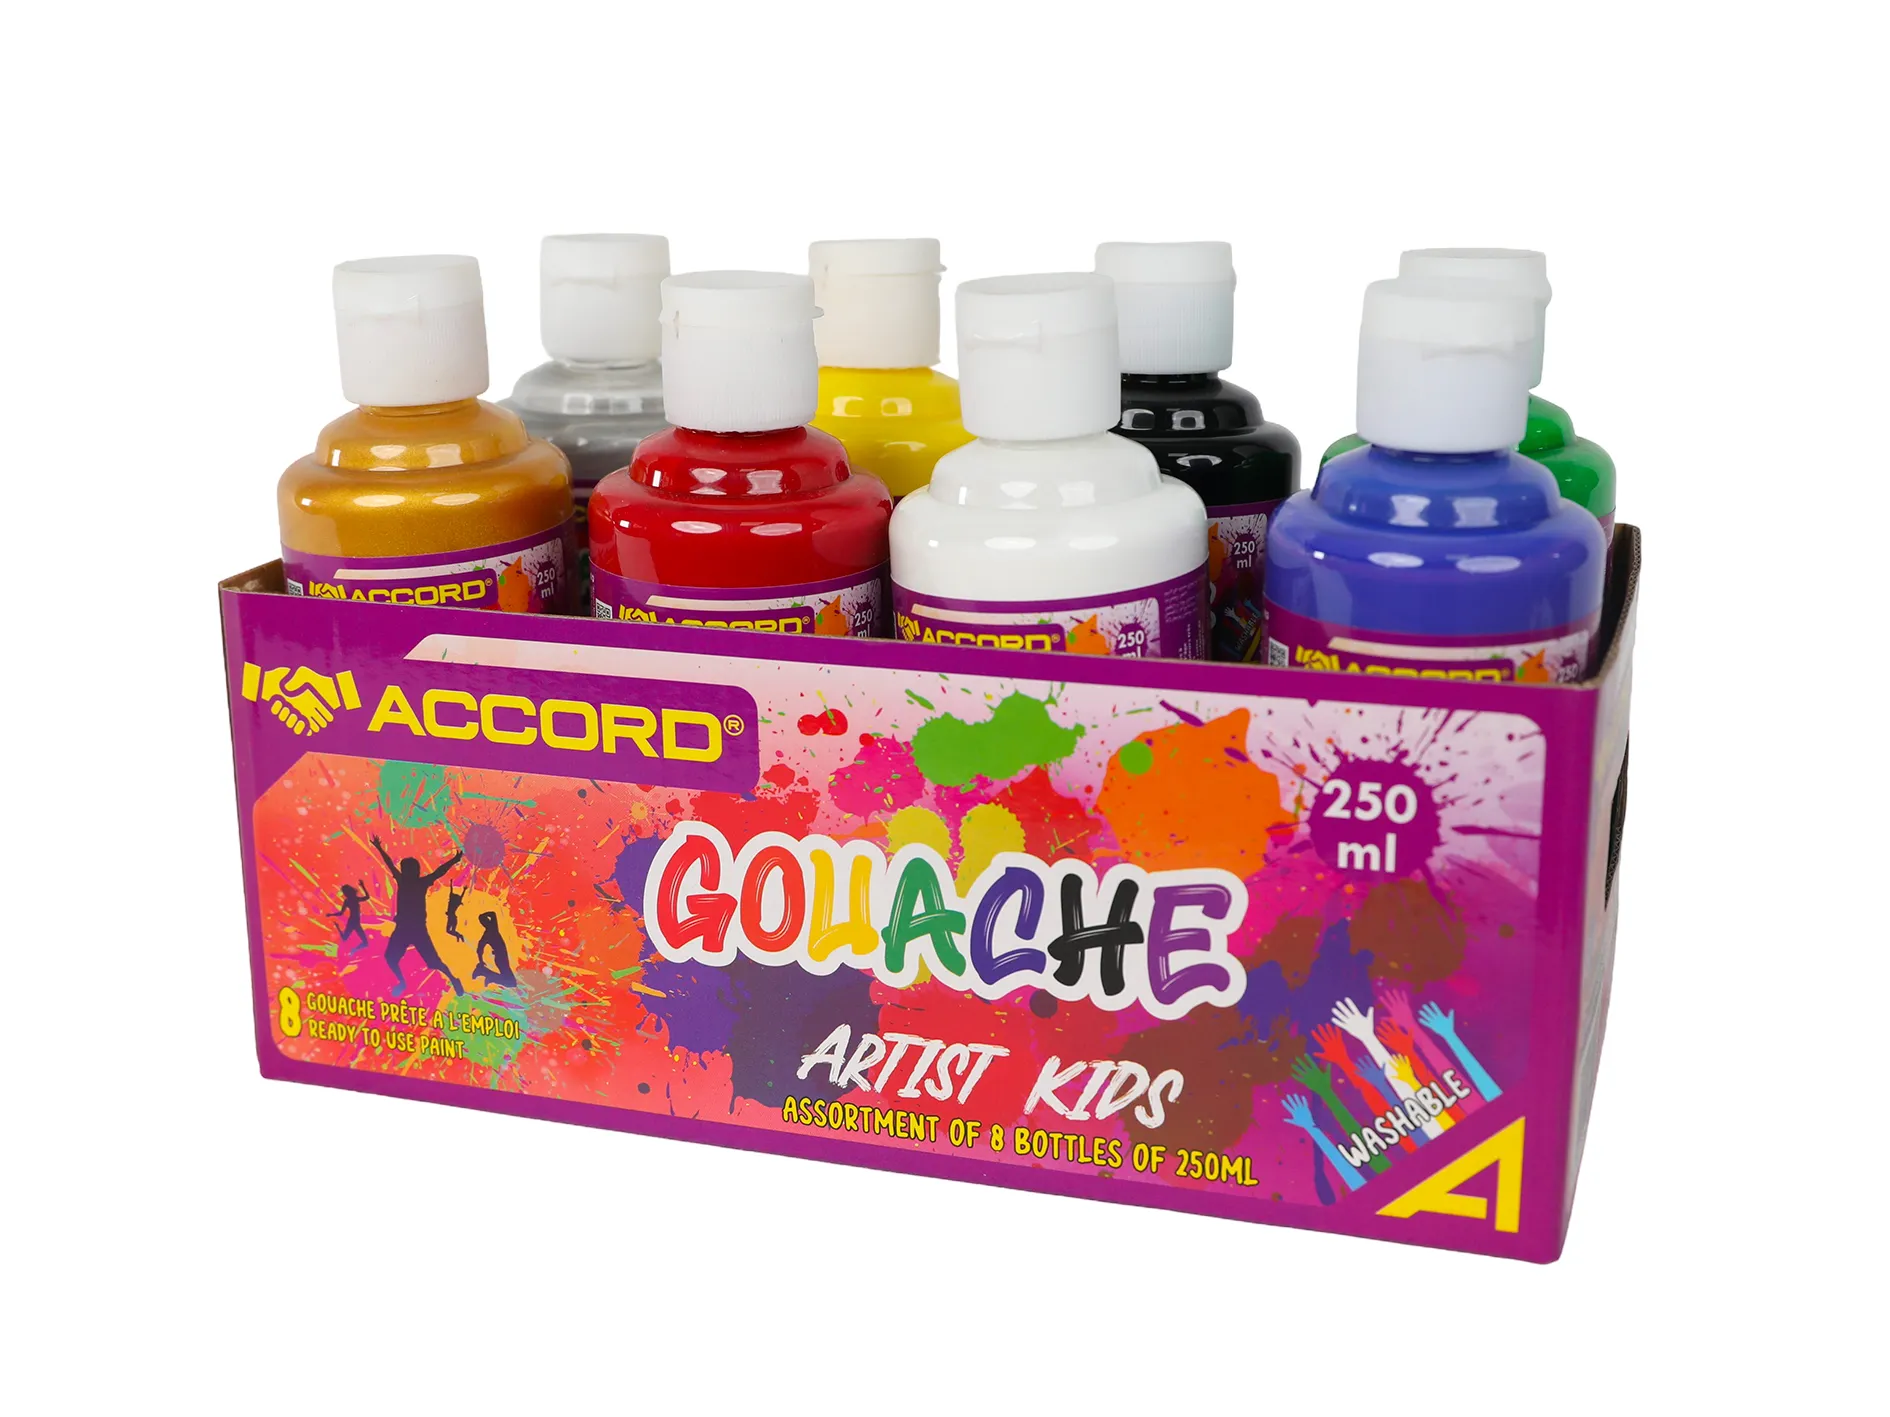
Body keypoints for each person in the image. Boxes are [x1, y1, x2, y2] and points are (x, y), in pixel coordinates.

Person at [369, 835, 464, 996]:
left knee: (434, 962)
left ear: (415, 871)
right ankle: (402, 981)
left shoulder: (420, 882)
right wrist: (379, 848)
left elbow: (439, 872)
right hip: (403, 929)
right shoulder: (404, 881)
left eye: (410, 869)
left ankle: (454, 979)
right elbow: (389, 864)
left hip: (418, 930)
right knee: (390, 957)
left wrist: (454, 860)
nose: (408, 872)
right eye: (406, 869)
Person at [472, 911, 519, 988]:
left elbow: (479, 949)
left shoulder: (489, 931)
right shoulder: (493, 928)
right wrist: (482, 915)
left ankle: (483, 972)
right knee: (511, 982)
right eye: (486, 920)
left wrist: (481, 961)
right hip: (501, 958)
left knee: (510, 981)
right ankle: (488, 975)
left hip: (501, 957)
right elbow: (492, 914)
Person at [327, 881, 370, 952]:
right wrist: (363, 886)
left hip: (354, 922)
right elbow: (367, 897)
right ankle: (354, 950)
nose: (344, 894)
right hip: (354, 922)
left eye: (344, 892)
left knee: (363, 942)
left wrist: (331, 915)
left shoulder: (349, 900)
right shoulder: (352, 899)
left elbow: (341, 913)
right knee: (364, 942)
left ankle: (354, 950)